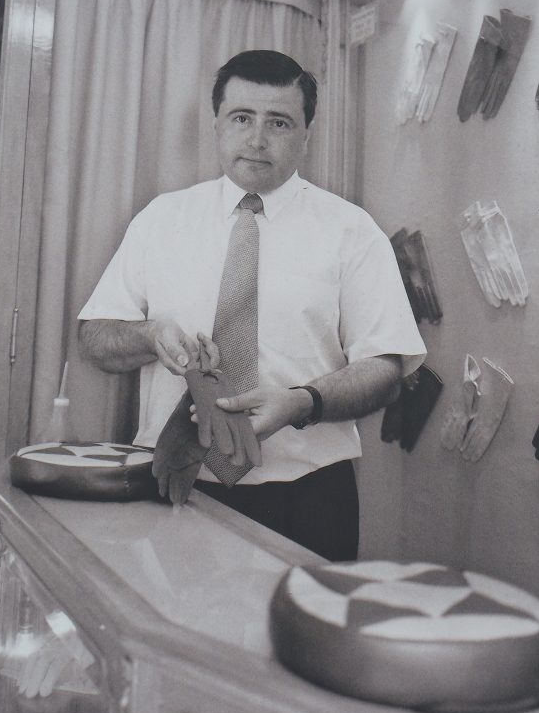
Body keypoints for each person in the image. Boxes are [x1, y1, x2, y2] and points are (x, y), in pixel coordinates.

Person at [78, 50, 425, 560]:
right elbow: (97, 337)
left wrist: (301, 402)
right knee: (177, 637)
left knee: (298, 640)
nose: (257, 139)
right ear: (217, 123)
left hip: (307, 495)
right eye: (242, 118)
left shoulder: (352, 232)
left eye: (279, 122)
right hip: (174, 481)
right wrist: (150, 335)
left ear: (306, 133)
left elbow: (386, 366)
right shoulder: (161, 219)